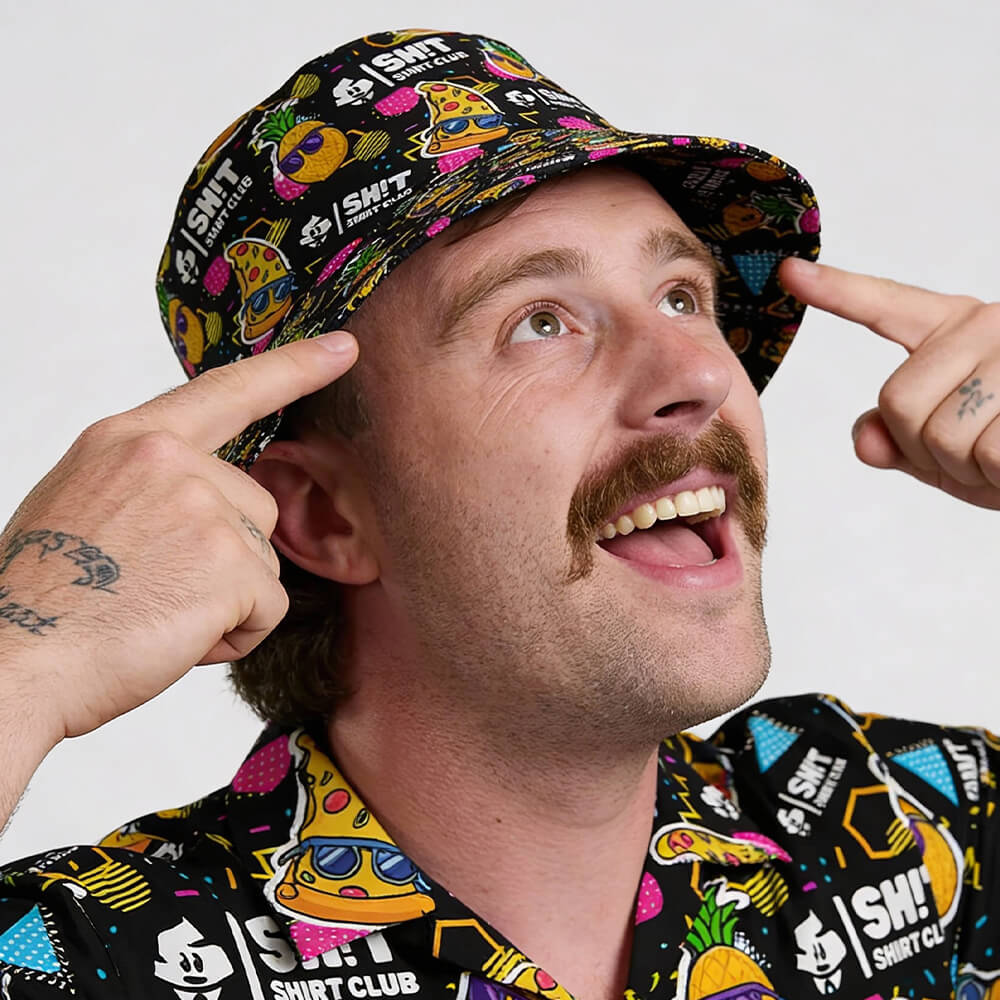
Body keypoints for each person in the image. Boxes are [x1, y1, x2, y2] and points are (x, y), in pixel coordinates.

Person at [0, 26, 997, 1000]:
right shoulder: (102, 954)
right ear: (322, 515)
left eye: (684, 297)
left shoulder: (910, 828)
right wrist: (21, 663)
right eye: (541, 322)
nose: (698, 374)